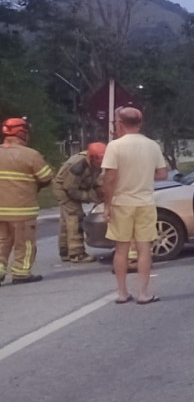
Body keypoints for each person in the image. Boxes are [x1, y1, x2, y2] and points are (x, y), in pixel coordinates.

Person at [101, 108, 168, 304]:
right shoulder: (152, 145)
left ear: (119, 123)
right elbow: (163, 174)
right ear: (140, 123)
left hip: (121, 203)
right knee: (144, 248)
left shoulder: (114, 147)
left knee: (121, 249)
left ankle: (122, 293)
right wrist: (146, 175)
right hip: (145, 203)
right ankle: (143, 293)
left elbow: (110, 177)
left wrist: (107, 205)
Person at [0, 117, 54, 285]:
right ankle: (21, 273)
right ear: (22, 133)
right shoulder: (31, 155)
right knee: (25, 243)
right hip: (22, 210)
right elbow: (46, 177)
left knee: (2, 242)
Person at [52, 142, 106, 264]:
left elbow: (95, 178)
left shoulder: (96, 161)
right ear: (91, 157)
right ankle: (77, 253)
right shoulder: (77, 166)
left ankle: (65, 251)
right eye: (99, 162)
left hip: (73, 187)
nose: (101, 165)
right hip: (64, 189)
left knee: (66, 221)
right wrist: (90, 197)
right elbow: (71, 189)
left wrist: (99, 188)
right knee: (75, 217)